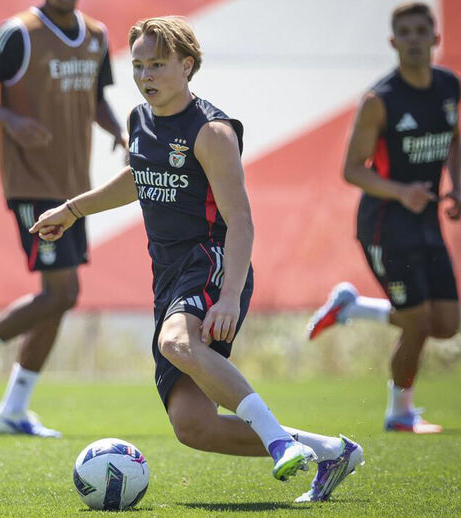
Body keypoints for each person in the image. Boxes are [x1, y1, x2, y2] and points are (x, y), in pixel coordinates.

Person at [30, 16, 363, 502]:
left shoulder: (213, 132)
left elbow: (241, 221)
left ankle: (277, 443)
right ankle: (332, 451)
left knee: (175, 341)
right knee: (193, 426)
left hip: (212, 260)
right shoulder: (139, 119)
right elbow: (137, 176)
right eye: (139, 65)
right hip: (168, 274)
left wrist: (229, 295)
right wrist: (73, 209)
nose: (146, 76)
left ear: (187, 66)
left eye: (158, 65)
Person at [0, 0, 126, 437]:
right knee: (62, 291)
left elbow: (95, 98)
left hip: (73, 187)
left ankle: (13, 408)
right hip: (31, 182)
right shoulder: (18, 33)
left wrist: (118, 129)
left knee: (61, 296)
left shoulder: (96, 35)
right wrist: (8, 119)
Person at [306, 2, 459, 434]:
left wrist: (458, 185)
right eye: (404, 33)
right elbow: (351, 169)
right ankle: (399, 413)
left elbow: (455, 142)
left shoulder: (450, 87)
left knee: (447, 324)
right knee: (416, 322)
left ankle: (353, 307)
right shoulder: (380, 100)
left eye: (420, 31)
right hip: (385, 225)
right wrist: (402, 192)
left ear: (435, 38)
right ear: (393, 42)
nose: (413, 39)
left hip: (426, 220)